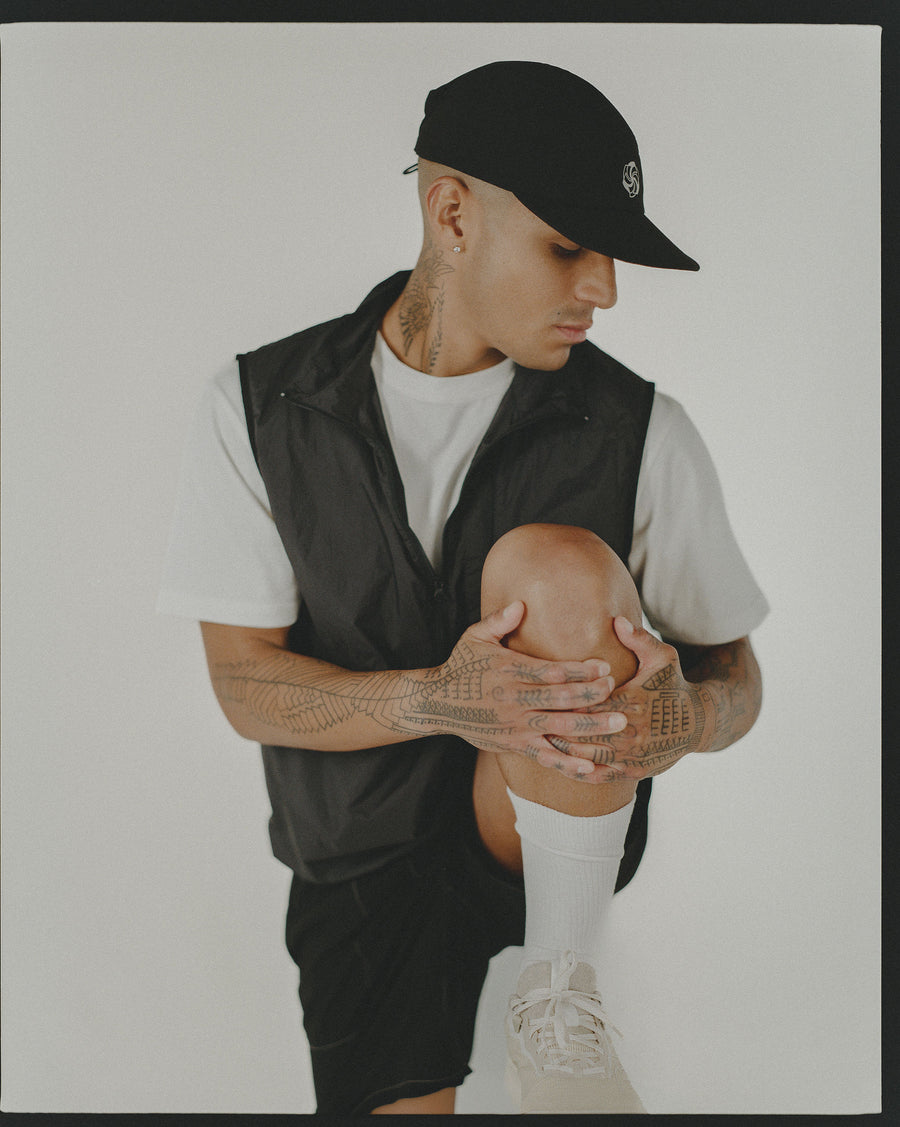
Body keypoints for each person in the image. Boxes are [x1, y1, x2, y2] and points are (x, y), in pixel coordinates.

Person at [158, 60, 768, 1115]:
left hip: (543, 837)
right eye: (568, 246)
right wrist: (436, 699)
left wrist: (693, 716)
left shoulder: (640, 426)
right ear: (452, 214)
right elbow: (243, 685)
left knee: (559, 564)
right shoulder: (260, 408)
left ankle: (561, 998)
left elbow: (734, 671)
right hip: (359, 857)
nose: (606, 288)